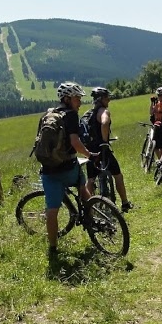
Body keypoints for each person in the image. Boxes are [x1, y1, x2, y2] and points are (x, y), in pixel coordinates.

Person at [38, 82, 97, 258]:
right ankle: (91, 222)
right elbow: (75, 142)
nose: (79, 102)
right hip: (69, 168)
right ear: (67, 99)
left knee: (52, 211)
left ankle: (53, 248)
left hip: (49, 170)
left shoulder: (48, 115)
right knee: (84, 191)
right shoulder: (71, 115)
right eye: (77, 98)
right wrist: (90, 155)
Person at [84, 87, 133, 212]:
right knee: (118, 175)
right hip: (102, 150)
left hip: (90, 151)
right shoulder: (103, 111)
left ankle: (88, 207)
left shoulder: (88, 114)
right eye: (107, 98)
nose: (109, 100)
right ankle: (125, 203)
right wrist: (104, 142)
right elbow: (105, 123)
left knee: (90, 179)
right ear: (101, 99)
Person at [149, 86, 162, 164]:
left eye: (161, 95)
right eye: (158, 95)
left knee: (161, 147)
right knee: (155, 146)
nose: (159, 97)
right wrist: (152, 103)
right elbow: (151, 112)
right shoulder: (157, 103)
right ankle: (161, 161)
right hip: (156, 126)